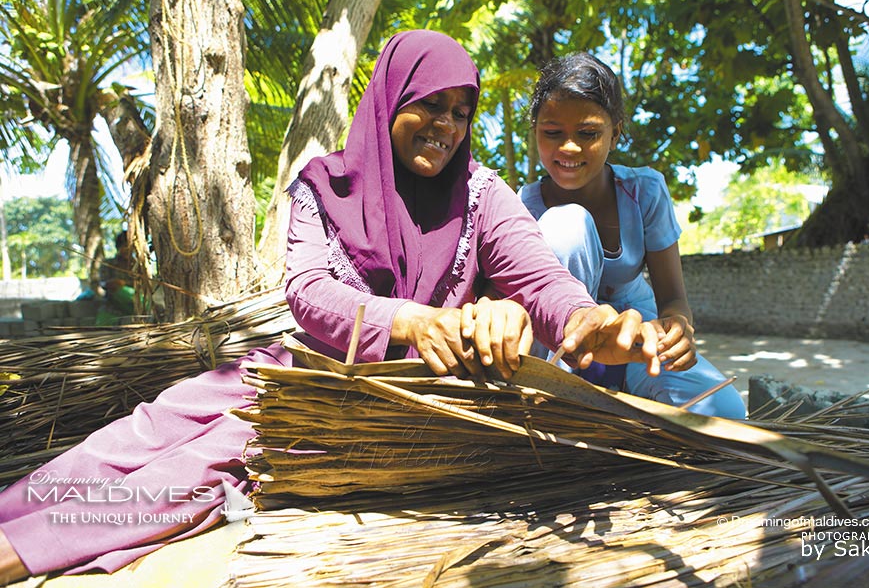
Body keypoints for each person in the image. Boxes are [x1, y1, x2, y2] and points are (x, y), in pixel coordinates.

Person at [0, 31, 660, 583]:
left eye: (462, 113)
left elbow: (544, 282)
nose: (447, 126)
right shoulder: (325, 184)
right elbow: (310, 291)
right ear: (390, 98)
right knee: (152, 425)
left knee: (197, 464)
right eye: (430, 104)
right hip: (294, 367)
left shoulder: (482, 196)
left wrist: (595, 324)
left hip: (375, 399)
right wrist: (411, 318)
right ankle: (10, 513)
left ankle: (18, 552)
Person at [519, 52, 746, 419]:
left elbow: (673, 299)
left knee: (723, 412)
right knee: (566, 224)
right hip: (558, 347)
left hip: (636, 335)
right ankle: (552, 397)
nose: (569, 147)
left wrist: (677, 329)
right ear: (535, 132)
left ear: (616, 133)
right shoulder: (521, 208)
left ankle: (625, 387)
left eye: (588, 133)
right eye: (552, 132)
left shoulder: (645, 192)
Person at [96, 230, 137, 325]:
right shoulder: (108, 263)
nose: (128, 250)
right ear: (118, 247)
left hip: (134, 305)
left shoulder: (139, 266)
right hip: (111, 307)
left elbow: (144, 286)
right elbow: (102, 283)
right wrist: (111, 283)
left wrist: (124, 284)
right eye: (125, 246)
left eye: (131, 247)